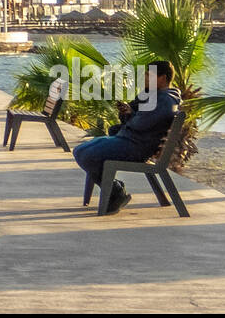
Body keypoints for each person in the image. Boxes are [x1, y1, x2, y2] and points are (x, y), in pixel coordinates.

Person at [72, 60, 182, 215]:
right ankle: (115, 189)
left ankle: (116, 190)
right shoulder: (153, 95)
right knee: (79, 150)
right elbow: (136, 115)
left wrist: (131, 114)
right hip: (129, 140)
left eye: (149, 76)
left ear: (162, 78)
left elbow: (140, 124)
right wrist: (128, 110)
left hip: (136, 146)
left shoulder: (164, 100)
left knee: (86, 155)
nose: (144, 79)